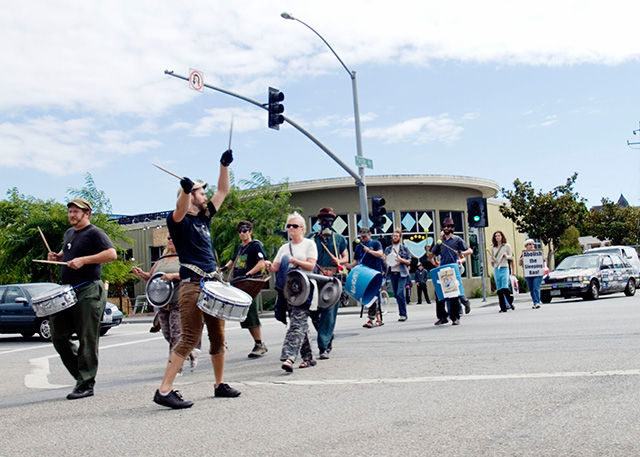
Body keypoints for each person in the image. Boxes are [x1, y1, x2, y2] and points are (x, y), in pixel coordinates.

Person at [153, 148, 240, 410]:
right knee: (190, 336)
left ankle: (219, 384)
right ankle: (164, 389)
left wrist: (223, 165)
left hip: (213, 285)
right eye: (201, 192)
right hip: (193, 286)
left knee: (218, 336)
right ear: (191, 196)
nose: (206, 196)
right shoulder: (178, 220)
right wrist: (185, 190)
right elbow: (180, 207)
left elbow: (223, 191)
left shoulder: (204, 217)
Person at [47, 197, 117, 400]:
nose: (71, 215)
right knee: (58, 335)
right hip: (68, 290)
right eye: (69, 211)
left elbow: (111, 254)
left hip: (89, 289)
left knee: (87, 337)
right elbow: (66, 254)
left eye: (75, 212)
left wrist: (84, 260)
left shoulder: (95, 232)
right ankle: (82, 375)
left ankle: (86, 383)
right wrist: (57, 257)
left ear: (87, 213)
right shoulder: (69, 233)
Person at [132, 237, 201, 373]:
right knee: (167, 334)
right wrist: (142, 274)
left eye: (173, 237)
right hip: (162, 301)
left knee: (176, 334)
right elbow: (151, 277)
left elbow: (192, 274)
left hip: (178, 299)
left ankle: (176, 368)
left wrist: (174, 275)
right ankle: (190, 353)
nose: (171, 240)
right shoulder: (161, 260)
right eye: (169, 238)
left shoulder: (184, 257)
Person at [265, 212, 318, 372]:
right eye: (289, 226)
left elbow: (311, 266)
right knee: (299, 322)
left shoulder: (309, 244)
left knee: (297, 322)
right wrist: (268, 265)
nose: (291, 229)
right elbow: (276, 267)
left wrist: (296, 261)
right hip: (289, 289)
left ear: (302, 228)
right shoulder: (283, 248)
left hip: (305, 287)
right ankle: (309, 357)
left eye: (294, 226)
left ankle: (289, 357)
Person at [221, 220, 268, 358]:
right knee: (242, 314)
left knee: (251, 313)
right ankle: (222, 342)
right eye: (240, 231)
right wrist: (222, 268)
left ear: (250, 231)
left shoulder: (256, 245)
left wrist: (249, 273)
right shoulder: (240, 247)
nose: (242, 233)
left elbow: (262, 263)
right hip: (238, 284)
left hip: (249, 284)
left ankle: (259, 344)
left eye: (245, 230)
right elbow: (233, 261)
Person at [308, 207, 348, 360]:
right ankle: (327, 335)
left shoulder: (338, 239)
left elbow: (346, 257)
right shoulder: (311, 238)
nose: (326, 222)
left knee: (329, 313)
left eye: (329, 220)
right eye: (323, 219)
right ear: (319, 221)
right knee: (312, 311)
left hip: (332, 279)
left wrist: (339, 261)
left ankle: (323, 347)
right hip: (315, 278)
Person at [428, 217, 473, 326]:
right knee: (438, 293)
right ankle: (442, 317)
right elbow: (431, 255)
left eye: (448, 226)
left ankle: (455, 317)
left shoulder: (457, 240)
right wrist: (434, 262)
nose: (446, 228)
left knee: (453, 293)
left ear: (452, 228)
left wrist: (461, 253)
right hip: (443, 269)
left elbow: (470, 250)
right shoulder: (440, 242)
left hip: (453, 269)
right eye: (444, 227)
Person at [350, 227, 385, 328]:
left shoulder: (375, 243)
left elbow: (380, 253)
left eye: (365, 236)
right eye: (362, 236)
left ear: (369, 235)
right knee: (369, 295)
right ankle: (377, 318)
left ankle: (371, 318)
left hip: (375, 273)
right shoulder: (358, 247)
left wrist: (369, 251)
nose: (363, 238)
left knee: (373, 295)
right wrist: (349, 266)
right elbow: (356, 261)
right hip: (364, 273)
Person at [383, 229, 412, 321]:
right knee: (396, 294)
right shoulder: (388, 249)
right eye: (394, 236)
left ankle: (403, 314)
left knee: (400, 293)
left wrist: (401, 260)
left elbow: (409, 261)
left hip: (402, 273)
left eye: (397, 236)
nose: (395, 237)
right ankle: (402, 310)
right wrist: (385, 259)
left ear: (400, 237)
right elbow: (385, 262)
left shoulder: (404, 248)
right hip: (392, 273)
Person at [488, 230, 515, 313]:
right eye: (496, 236)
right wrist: (492, 260)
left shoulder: (506, 246)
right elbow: (491, 261)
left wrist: (506, 256)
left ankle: (509, 301)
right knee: (499, 288)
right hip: (497, 268)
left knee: (504, 285)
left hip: (504, 267)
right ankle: (502, 307)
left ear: (502, 236)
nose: (497, 237)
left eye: (499, 236)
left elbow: (511, 257)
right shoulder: (493, 248)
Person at [519, 239, 545, 309]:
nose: (531, 246)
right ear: (526, 246)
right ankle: (534, 301)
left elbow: (543, 262)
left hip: (538, 273)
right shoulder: (524, 254)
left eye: (533, 244)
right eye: (529, 244)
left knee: (536, 287)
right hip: (529, 274)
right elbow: (520, 263)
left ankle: (537, 302)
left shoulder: (538, 253)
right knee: (531, 288)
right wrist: (521, 260)